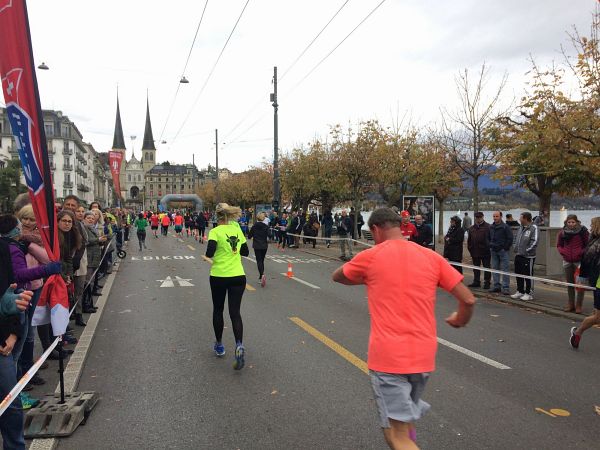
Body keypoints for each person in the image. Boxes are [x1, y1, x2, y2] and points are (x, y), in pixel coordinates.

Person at [332, 208, 475, 450]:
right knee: (404, 422)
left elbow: (339, 276)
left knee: (395, 434)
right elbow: (468, 299)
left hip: (388, 358)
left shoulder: (372, 256)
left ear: (376, 229)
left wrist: (366, 276)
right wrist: (460, 319)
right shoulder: (430, 256)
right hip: (423, 357)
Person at [205, 203, 249, 370]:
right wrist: (234, 250)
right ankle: (239, 345)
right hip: (238, 276)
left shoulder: (215, 232)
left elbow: (209, 252)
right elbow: (245, 252)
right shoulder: (237, 230)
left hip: (219, 276)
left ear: (217, 216)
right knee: (235, 313)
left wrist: (215, 252)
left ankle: (220, 345)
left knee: (218, 310)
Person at [570, 217, 600, 349]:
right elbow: (587, 260)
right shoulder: (594, 242)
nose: (590, 226)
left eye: (591, 224)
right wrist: (583, 278)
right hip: (599, 282)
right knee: (597, 318)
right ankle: (578, 332)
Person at [557, 215, 589, 313]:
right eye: (569, 222)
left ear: (577, 222)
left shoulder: (583, 232)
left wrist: (581, 252)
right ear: (566, 223)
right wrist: (563, 252)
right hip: (567, 260)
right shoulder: (562, 233)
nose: (571, 224)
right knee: (569, 284)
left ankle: (579, 305)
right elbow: (559, 245)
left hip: (579, 261)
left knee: (580, 285)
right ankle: (571, 304)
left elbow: (587, 244)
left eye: (573, 222)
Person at [511, 212, 538, 301]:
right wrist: (515, 247)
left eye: (521, 218)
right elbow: (516, 238)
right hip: (518, 255)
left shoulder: (534, 228)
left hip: (528, 256)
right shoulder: (520, 227)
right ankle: (520, 290)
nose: (519, 219)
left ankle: (529, 293)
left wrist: (526, 251)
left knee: (528, 275)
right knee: (518, 273)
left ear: (526, 219)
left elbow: (534, 242)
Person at [489, 211, 513, 295]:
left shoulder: (505, 227)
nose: (495, 218)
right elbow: (488, 237)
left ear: (501, 217)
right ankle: (496, 286)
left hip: (503, 251)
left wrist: (504, 248)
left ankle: (505, 287)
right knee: (495, 268)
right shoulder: (491, 227)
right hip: (493, 250)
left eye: (497, 216)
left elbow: (510, 238)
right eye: (494, 216)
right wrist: (490, 245)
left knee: (505, 269)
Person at [467, 212, 491, 289]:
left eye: (480, 217)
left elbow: (491, 239)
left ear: (483, 217)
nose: (478, 218)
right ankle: (476, 281)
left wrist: (488, 247)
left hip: (485, 251)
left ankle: (487, 282)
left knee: (486, 267)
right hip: (475, 251)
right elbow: (469, 240)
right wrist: (470, 248)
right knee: (476, 268)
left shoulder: (488, 227)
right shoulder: (471, 228)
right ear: (475, 218)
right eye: (477, 217)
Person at [248, 212, 269, 287]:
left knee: (259, 261)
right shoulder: (266, 226)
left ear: (257, 218)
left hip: (257, 245)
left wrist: (253, 236)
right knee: (262, 260)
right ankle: (261, 276)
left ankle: (262, 275)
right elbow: (269, 235)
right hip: (264, 245)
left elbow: (249, 236)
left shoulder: (254, 226)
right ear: (263, 218)